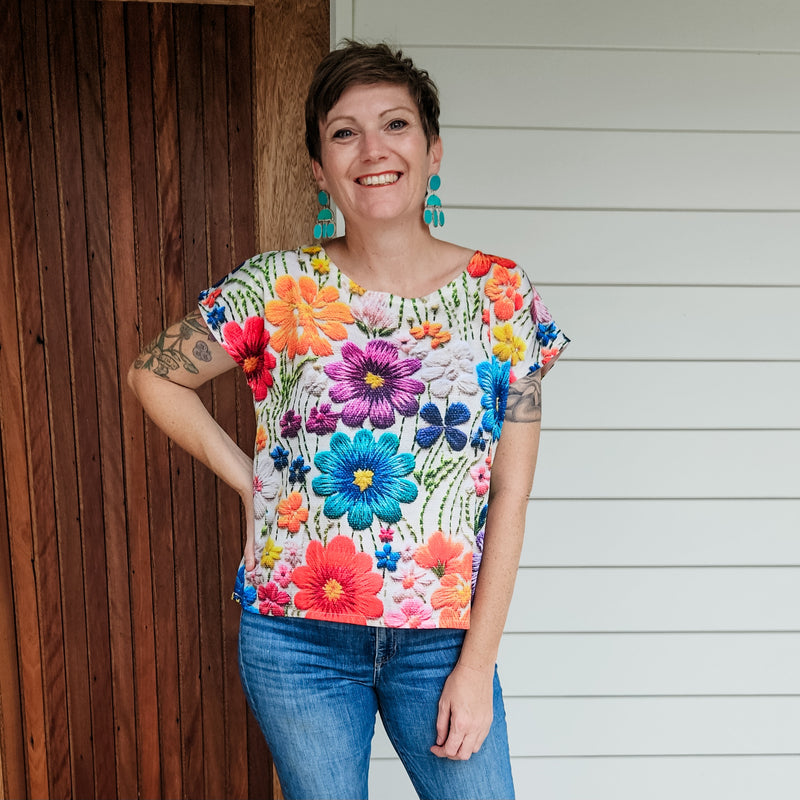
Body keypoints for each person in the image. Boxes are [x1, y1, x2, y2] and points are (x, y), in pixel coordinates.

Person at [129, 40, 569, 800]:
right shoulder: (275, 286)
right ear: (317, 168)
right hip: (295, 638)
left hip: (442, 641)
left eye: (395, 124)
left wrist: (477, 664)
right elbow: (153, 375)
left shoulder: (502, 295)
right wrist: (253, 484)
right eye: (344, 132)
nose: (373, 150)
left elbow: (511, 493)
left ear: (433, 151)